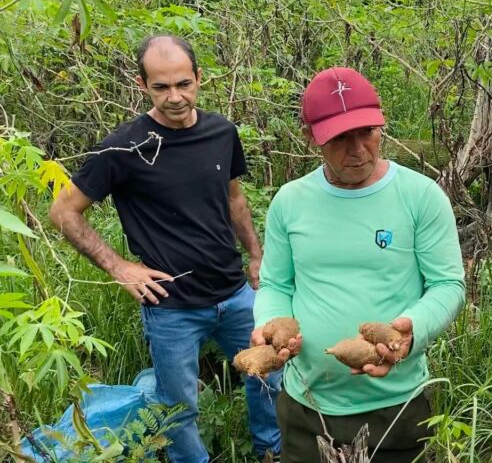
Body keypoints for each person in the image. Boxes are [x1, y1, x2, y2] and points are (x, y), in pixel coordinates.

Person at [48, 35, 282, 463]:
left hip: (234, 292)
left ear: (199, 78)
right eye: (161, 87)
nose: (175, 96)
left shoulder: (221, 132)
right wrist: (119, 267)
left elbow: (234, 198)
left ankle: (272, 451)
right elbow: (63, 212)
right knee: (177, 408)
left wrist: (255, 253)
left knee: (268, 375)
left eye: (183, 84)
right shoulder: (122, 148)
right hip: (171, 306)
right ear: (142, 85)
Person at [250, 67, 465, 463]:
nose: (358, 149)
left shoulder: (420, 196)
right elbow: (276, 284)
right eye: (339, 138)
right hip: (308, 406)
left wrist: (411, 332)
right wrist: (269, 326)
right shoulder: (291, 201)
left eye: (367, 131)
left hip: (396, 407)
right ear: (311, 137)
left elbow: (447, 285)